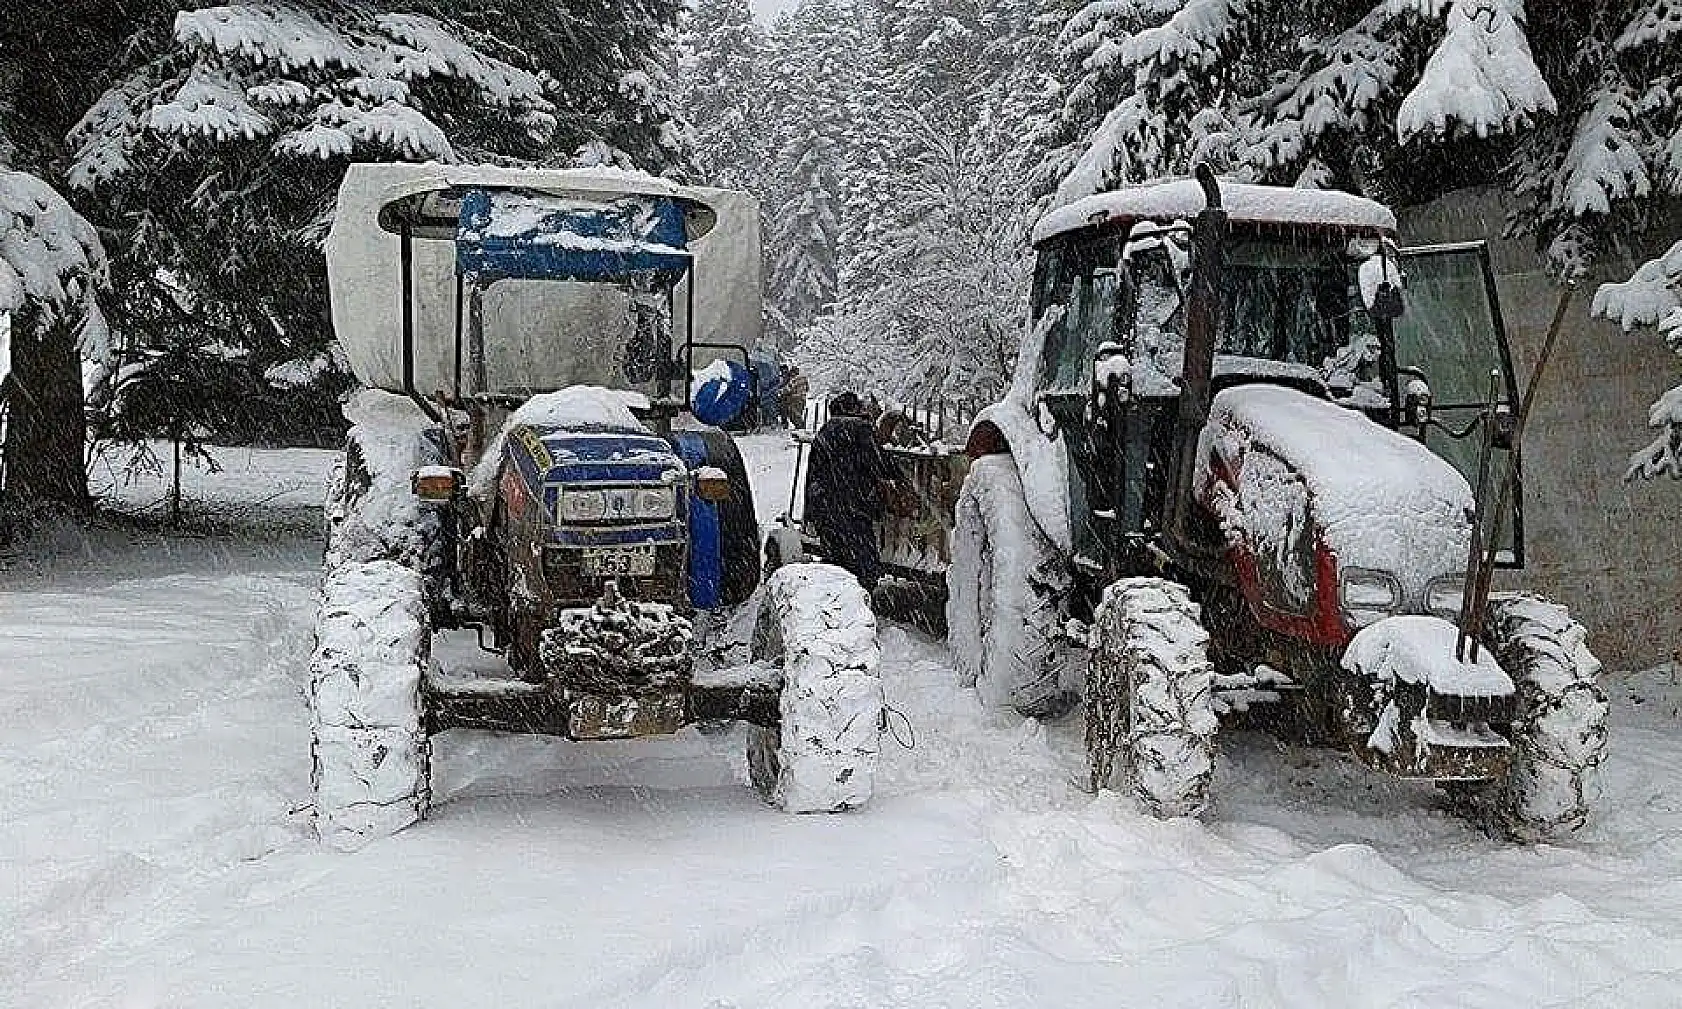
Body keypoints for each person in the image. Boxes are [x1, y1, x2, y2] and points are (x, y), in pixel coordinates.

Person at [805, 391, 899, 591]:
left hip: (825, 506)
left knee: (835, 560)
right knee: (863, 560)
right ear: (854, 409)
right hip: (854, 506)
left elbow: (812, 474)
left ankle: (838, 601)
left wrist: (810, 512)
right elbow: (878, 463)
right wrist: (899, 475)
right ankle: (862, 600)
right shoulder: (860, 429)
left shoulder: (824, 432)